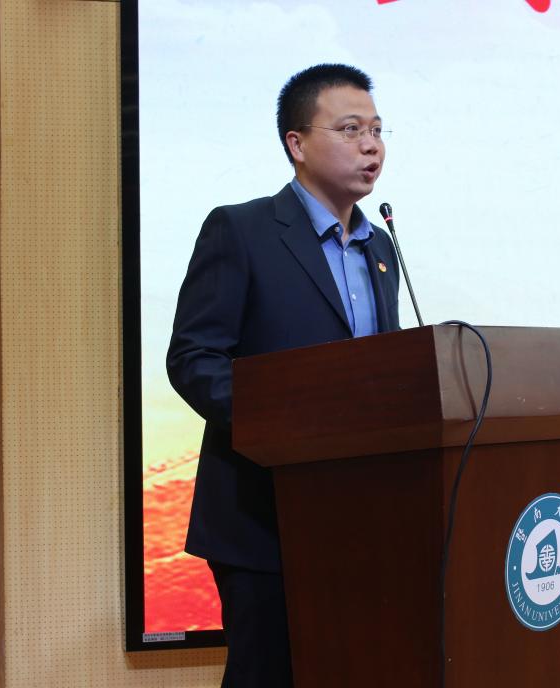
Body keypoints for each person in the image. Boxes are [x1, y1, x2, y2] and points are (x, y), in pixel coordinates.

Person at [166, 64, 401, 688]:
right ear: (296, 143)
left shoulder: (381, 249)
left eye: (377, 130)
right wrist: (287, 427)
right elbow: (194, 358)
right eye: (350, 129)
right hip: (262, 518)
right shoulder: (242, 230)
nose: (371, 145)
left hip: (360, 518)